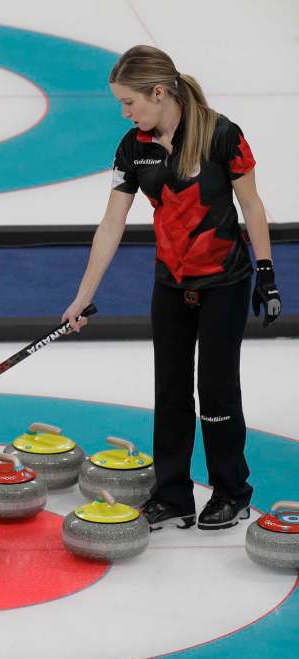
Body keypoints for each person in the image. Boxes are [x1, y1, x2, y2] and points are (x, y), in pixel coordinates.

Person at [62, 45, 281, 532]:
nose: (125, 112)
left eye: (130, 102)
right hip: (171, 282)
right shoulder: (132, 146)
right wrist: (82, 295)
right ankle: (174, 494)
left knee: (217, 391)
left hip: (224, 281)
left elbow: (253, 207)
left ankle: (231, 491)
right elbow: (111, 224)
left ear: (158, 93)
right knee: (172, 391)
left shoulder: (222, 135)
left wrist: (266, 275)